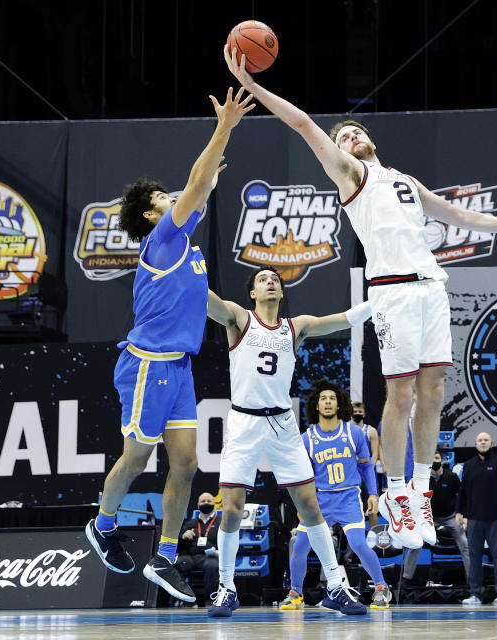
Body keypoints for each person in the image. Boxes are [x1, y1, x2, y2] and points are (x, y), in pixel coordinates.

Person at [224, 45, 497, 550]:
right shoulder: (353, 177)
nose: (349, 138)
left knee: (434, 392)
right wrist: (254, 87)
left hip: (431, 287)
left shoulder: (406, 183)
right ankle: (395, 494)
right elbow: (305, 124)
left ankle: (416, 490)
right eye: (342, 137)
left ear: (371, 138)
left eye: (355, 132)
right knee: (402, 395)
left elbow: (463, 218)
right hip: (391, 293)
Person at [83, 88, 253, 604]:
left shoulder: (186, 246)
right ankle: (102, 525)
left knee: (185, 465)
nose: (173, 197)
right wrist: (223, 126)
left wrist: (240, 320)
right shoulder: (161, 241)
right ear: (153, 216)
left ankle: (164, 554)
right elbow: (198, 184)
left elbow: (206, 300)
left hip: (179, 368)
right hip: (146, 365)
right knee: (136, 460)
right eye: (163, 198)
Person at [205, 267, 370, 617]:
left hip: (281, 423)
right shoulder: (238, 318)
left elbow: (344, 319)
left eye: (275, 279)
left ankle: (336, 587)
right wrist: (176, 267)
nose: (270, 281)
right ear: (252, 292)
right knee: (232, 509)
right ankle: (226, 587)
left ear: (281, 292)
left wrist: (382, 302)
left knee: (310, 507)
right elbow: (207, 302)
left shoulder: (296, 326)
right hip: (244, 420)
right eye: (263, 278)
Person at [280, 379, 391, 611]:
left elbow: (367, 466)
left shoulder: (354, 433)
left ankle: (381, 588)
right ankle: (295, 593)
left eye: (332, 398)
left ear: (339, 405)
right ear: (317, 406)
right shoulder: (307, 438)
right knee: (299, 546)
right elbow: (302, 478)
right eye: (323, 399)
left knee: (359, 544)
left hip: (348, 497)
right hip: (319, 499)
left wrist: (373, 493)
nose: (328, 402)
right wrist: (302, 505)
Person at [456, 432, 497, 606]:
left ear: (492, 443)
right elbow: (463, 491)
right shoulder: (468, 465)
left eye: (485, 440)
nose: (482, 443)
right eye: (480, 440)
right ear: (475, 444)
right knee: (474, 558)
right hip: (474, 519)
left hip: (494, 519)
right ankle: (475, 594)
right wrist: (459, 512)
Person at [402, 450, 470, 586]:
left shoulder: (452, 477)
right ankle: (406, 578)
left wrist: (462, 515)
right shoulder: (423, 480)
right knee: (415, 544)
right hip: (428, 518)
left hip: (450, 517)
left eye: (437, 458)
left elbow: (462, 497)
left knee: (465, 544)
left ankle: (471, 579)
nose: (435, 460)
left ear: (442, 461)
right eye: (432, 458)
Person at [175, 492, 222, 601]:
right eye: (203, 501)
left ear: (214, 504)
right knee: (178, 563)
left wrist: (218, 552)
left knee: (211, 566)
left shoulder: (221, 523)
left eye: (209, 501)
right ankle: (185, 599)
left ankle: (210, 600)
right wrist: (183, 537)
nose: (206, 503)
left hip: (211, 557)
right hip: (191, 557)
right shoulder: (189, 524)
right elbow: (178, 548)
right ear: (198, 505)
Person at [352, 401, 383, 528]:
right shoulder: (346, 431)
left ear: (364, 414)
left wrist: (369, 470)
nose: (357, 414)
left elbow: (375, 454)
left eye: (359, 412)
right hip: (352, 473)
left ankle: (373, 536)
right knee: (353, 506)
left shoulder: (371, 431)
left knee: (372, 507)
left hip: (367, 472)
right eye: (355, 412)